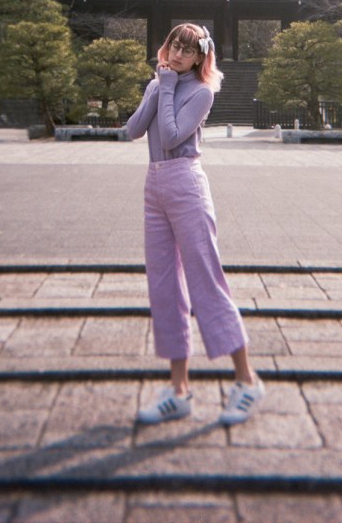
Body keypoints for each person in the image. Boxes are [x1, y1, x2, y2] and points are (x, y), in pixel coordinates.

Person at [125, 23, 264, 426]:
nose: (178, 54)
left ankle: (247, 380)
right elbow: (133, 130)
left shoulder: (202, 92)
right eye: (174, 45)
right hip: (154, 185)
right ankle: (179, 390)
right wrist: (158, 88)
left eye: (188, 50)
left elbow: (171, 136)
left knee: (206, 281)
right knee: (164, 287)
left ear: (202, 56)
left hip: (186, 183)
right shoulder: (159, 85)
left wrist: (167, 88)